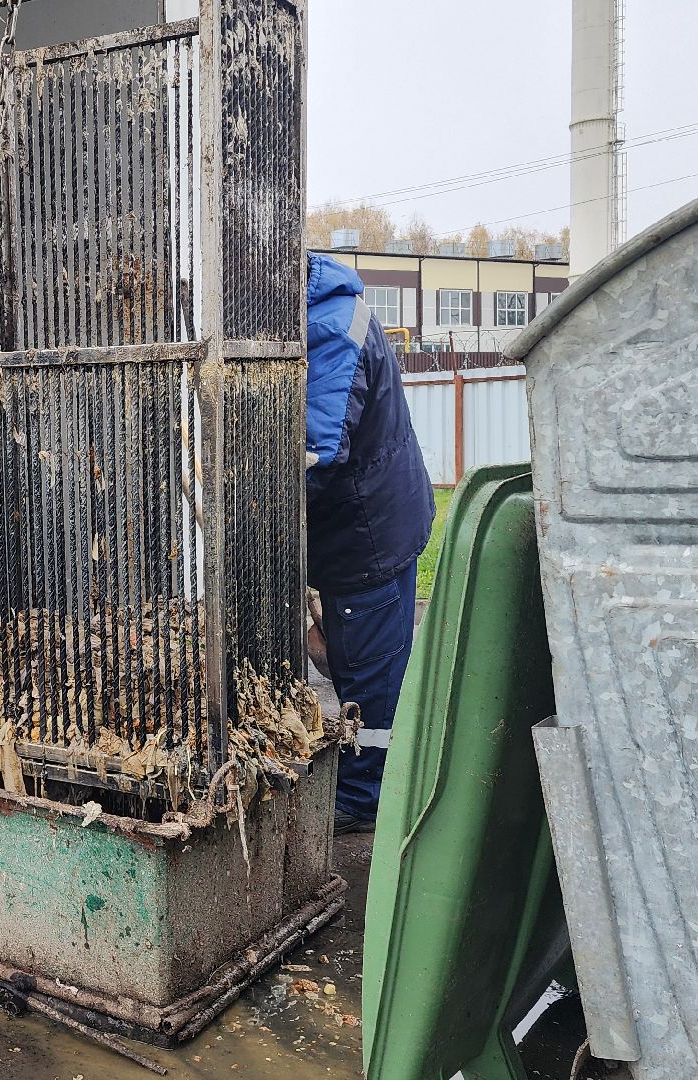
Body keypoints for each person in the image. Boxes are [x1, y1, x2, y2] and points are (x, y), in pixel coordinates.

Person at [303, 253, 436, 834]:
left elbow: (314, 453)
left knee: (368, 678)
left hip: (368, 536)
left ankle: (364, 800)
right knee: (352, 655)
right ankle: (370, 775)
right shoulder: (319, 312)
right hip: (357, 524)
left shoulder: (333, 328)